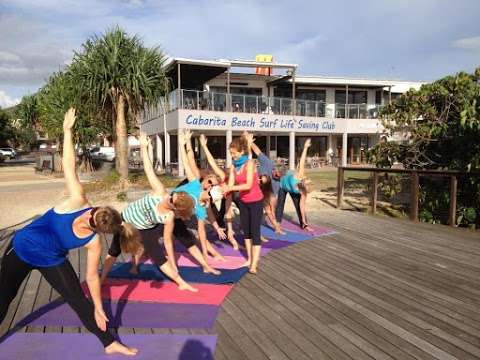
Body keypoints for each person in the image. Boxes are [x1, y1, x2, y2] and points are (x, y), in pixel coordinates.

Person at [0, 109, 139, 356]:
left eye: (90, 220)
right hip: (20, 248)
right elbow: (69, 167)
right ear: (95, 209)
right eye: (91, 211)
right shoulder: (78, 201)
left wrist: (98, 306)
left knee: (78, 300)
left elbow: (93, 278)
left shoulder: (94, 241)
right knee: (4, 297)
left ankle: (109, 343)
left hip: (51, 260)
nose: (87, 215)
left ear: (97, 228)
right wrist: (67, 131)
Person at [100, 133, 220, 291]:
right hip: (125, 220)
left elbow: (168, 242)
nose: (169, 198)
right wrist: (144, 147)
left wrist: (172, 263)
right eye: (173, 195)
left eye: (171, 201)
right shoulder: (160, 192)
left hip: (145, 228)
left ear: (175, 208)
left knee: (159, 257)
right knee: (114, 250)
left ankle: (181, 283)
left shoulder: (169, 217)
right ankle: (102, 279)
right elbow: (149, 170)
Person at [173, 130, 229, 262]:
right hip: (176, 199)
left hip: (185, 207)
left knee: (194, 231)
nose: (209, 186)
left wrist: (217, 229)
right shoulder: (196, 179)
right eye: (209, 182)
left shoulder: (205, 199)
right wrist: (186, 142)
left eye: (212, 186)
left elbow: (207, 217)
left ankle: (212, 254)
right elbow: (189, 160)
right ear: (206, 178)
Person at [224, 134, 264, 274]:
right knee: (246, 233)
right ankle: (249, 258)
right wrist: (226, 188)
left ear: (241, 152)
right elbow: (230, 183)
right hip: (244, 202)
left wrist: (230, 188)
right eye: (230, 153)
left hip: (256, 202)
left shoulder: (250, 164)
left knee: (255, 232)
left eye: (233, 153)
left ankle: (254, 264)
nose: (232, 156)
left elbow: (247, 185)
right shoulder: (234, 166)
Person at [198, 134, 240, 249]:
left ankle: (221, 229)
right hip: (201, 183)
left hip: (210, 196)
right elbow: (211, 162)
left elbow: (228, 212)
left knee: (217, 213)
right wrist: (204, 146)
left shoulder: (228, 192)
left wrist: (230, 231)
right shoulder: (221, 177)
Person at [275, 138, 315, 231]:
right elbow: (302, 161)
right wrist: (305, 147)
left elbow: (302, 207)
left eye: (307, 181)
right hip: (283, 185)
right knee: (280, 205)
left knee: (298, 206)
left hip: (292, 189)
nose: (307, 179)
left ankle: (304, 225)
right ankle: (277, 225)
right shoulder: (300, 175)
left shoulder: (303, 193)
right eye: (307, 179)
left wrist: (305, 221)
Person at [248, 136, 285, 235]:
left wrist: (271, 205)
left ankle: (277, 227)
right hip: (256, 188)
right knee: (266, 210)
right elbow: (258, 152)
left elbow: (272, 196)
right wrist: (250, 142)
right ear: (275, 169)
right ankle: (246, 224)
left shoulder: (277, 183)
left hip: (267, 192)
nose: (276, 176)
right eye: (276, 174)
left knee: (271, 210)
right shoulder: (268, 163)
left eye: (279, 176)